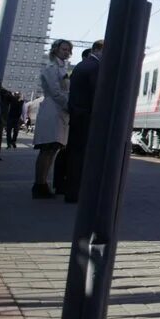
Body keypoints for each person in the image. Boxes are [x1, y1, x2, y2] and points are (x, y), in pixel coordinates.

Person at [63, 39, 103, 203]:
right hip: (86, 116)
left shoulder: (83, 65)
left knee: (75, 154)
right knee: (81, 156)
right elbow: (97, 93)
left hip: (79, 115)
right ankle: (75, 192)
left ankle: (71, 190)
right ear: (98, 50)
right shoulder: (94, 67)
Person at [32, 39, 72, 198]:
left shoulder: (62, 68)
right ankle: (39, 184)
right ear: (55, 49)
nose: (67, 52)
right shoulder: (51, 68)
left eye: (69, 50)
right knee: (46, 149)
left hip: (58, 112)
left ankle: (42, 184)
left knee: (52, 149)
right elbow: (55, 92)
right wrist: (69, 106)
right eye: (64, 49)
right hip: (52, 110)